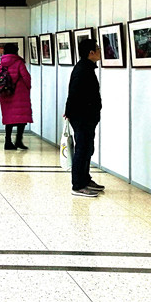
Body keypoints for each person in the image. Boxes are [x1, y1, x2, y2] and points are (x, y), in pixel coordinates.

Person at [64, 38, 104, 198]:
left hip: (87, 116)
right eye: (98, 49)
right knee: (81, 149)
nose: (100, 51)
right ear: (91, 52)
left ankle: (85, 179)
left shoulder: (87, 67)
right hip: (81, 117)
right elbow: (74, 93)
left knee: (88, 148)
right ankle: (78, 185)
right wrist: (69, 111)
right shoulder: (82, 70)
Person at [0, 43, 32, 150]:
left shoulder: (3, 63)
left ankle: (7, 141)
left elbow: (1, 77)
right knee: (21, 117)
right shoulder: (19, 62)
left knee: (9, 118)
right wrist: (28, 87)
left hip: (6, 93)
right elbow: (26, 77)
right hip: (19, 93)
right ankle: (18, 140)